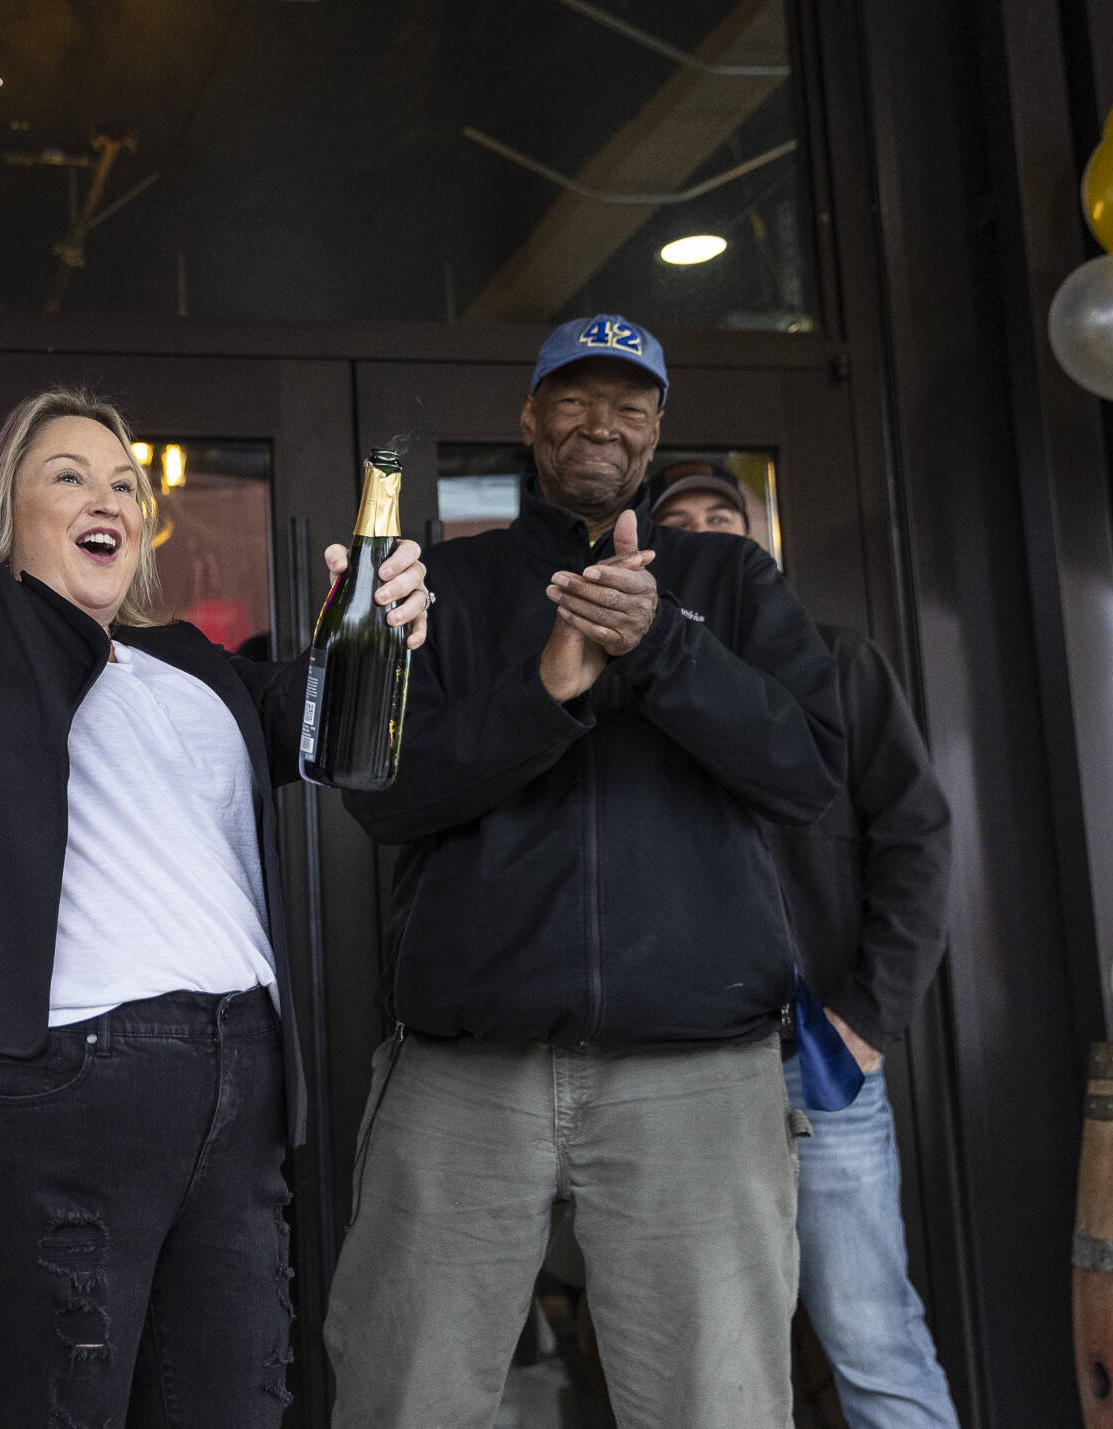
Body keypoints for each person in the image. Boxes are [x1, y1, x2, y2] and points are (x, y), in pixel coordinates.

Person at [0, 18, 432, 1426]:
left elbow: (337, 733)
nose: (106, 495)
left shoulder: (192, 670)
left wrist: (384, 619)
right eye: (67, 474)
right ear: (2, 510)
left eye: (123, 481)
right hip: (51, 1085)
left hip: (237, 1089)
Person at [323, 315, 844, 1428]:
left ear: (656, 429)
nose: (600, 423)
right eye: (573, 398)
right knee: (404, 1398)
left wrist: (665, 646)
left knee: (716, 1408)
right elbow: (380, 794)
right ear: (529, 417)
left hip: (696, 1075)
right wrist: (545, 691)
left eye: (628, 404)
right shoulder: (447, 582)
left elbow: (806, 775)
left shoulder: (732, 579)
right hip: (463, 1072)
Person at [653, 463, 960, 1428]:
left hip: (820, 1057)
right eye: (679, 522)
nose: (706, 531)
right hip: (675, 1065)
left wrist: (866, 1020)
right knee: (704, 1350)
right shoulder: (634, 683)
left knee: (870, 1333)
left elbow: (917, 841)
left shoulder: (838, 662)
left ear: (761, 543)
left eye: (724, 515)